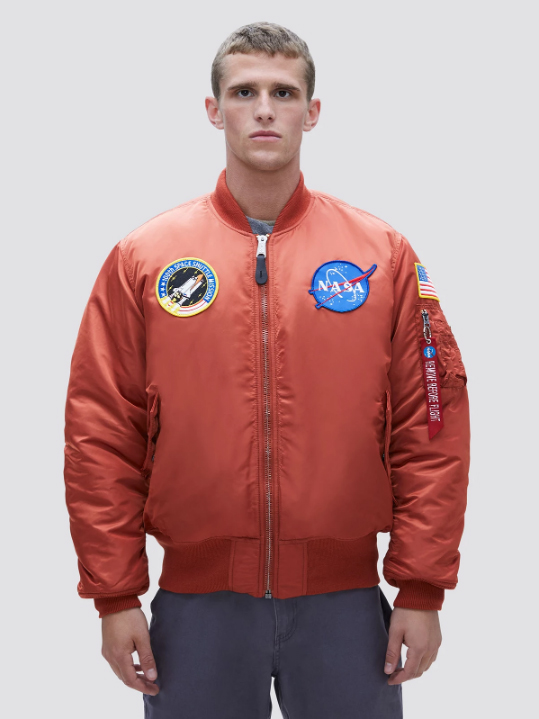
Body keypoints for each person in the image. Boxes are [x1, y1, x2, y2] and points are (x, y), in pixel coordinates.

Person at [63, 21, 470, 719]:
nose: (263, 109)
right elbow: (99, 432)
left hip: (345, 608)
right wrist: (115, 593)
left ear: (312, 112)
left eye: (283, 93)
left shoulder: (381, 256)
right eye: (243, 91)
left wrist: (421, 587)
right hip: (197, 609)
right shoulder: (145, 258)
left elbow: (432, 424)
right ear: (213, 109)